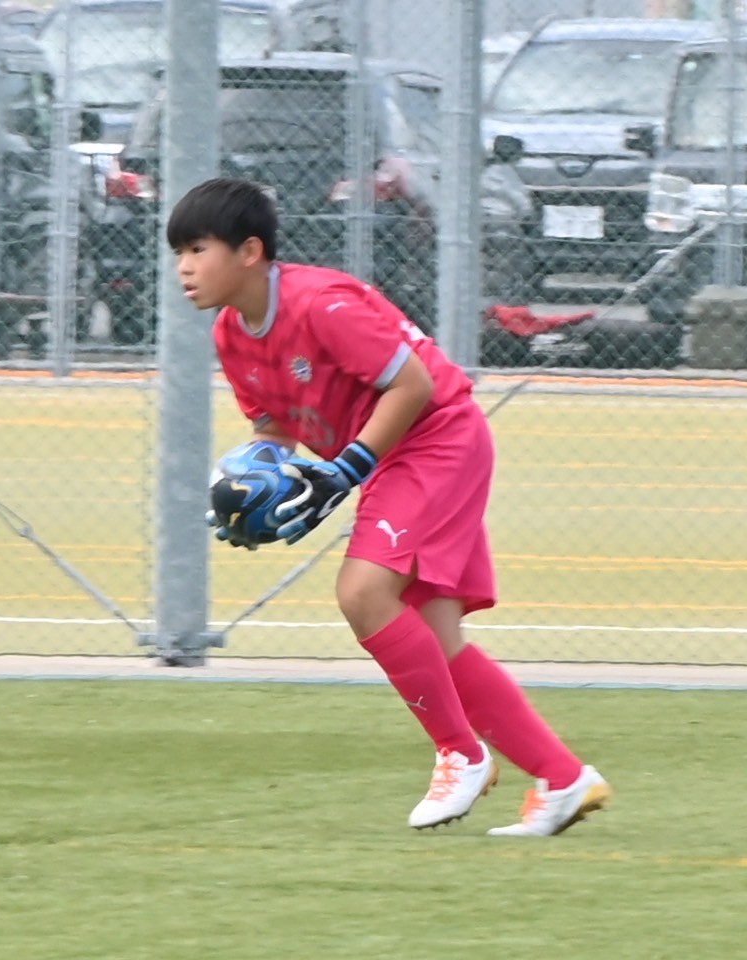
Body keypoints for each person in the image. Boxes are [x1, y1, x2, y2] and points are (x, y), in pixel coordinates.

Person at [171, 177, 610, 836]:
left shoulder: (322, 304)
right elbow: (273, 429)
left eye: (197, 249)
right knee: (434, 638)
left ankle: (461, 755)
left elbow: (413, 384)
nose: (183, 267)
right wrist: (246, 492)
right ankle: (564, 780)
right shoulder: (231, 333)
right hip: (391, 460)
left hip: (437, 439)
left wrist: (344, 471)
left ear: (250, 251)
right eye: (179, 253)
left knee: (362, 592)